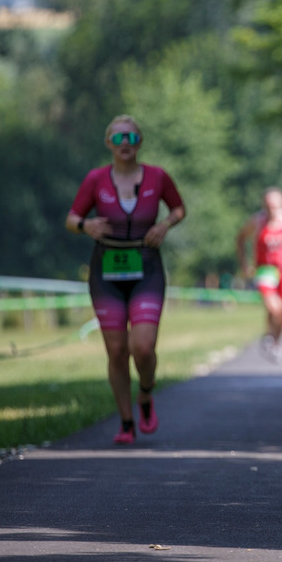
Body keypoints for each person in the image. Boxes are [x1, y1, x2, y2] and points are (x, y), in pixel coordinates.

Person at [66, 115, 186, 445]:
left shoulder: (158, 177)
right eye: (118, 138)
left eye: (131, 138)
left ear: (139, 142)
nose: (125, 144)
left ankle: (145, 394)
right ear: (108, 143)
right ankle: (126, 421)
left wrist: (164, 226)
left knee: (143, 346)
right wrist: (85, 226)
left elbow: (178, 209)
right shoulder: (95, 179)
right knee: (117, 351)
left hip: (146, 267)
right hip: (107, 269)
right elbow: (71, 217)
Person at [237, 187, 282, 364]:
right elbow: (240, 239)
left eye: (275, 206)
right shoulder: (256, 221)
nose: (272, 209)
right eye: (269, 206)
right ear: (264, 205)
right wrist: (245, 264)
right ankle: (269, 337)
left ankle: (274, 343)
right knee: (274, 308)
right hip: (265, 271)